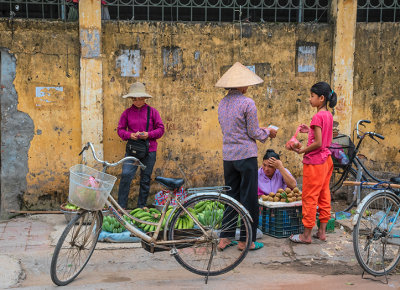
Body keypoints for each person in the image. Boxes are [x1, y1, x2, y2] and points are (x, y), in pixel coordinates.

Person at [216, 62, 277, 251]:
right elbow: (253, 132)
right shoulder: (247, 103)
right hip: (246, 156)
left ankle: (225, 237)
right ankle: (246, 240)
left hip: (229, 157)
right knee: (248, 198)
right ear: (242, 85)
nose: (248, 87)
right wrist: (267, 132)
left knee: (231, 197)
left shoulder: (222, 103)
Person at [289, 81, 337, 244]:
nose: (309, 99)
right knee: (324, 195)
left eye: (312, 96)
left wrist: (301, 150)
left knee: (309, 198)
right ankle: (321, 232)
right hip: (327, 160)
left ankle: (306, 235)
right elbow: (323, 138)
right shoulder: (328, 115)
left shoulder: (317, 116)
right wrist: (308, 130)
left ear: (321, 98)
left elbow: (317, 142)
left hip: (315, 162)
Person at [117, 82, 165, 209]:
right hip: (132, 151)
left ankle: (141, 207)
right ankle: (121, 208)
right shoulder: (126, 113)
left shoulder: (153, 112)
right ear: (131, 99)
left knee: (145, 179)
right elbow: (120, 130)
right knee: (126, 176)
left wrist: (148, 134)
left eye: (140, 99)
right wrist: (129, 135)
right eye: (134, 99)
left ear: (145, 98)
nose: (137, 101)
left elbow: (161, 129)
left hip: (149, 151)